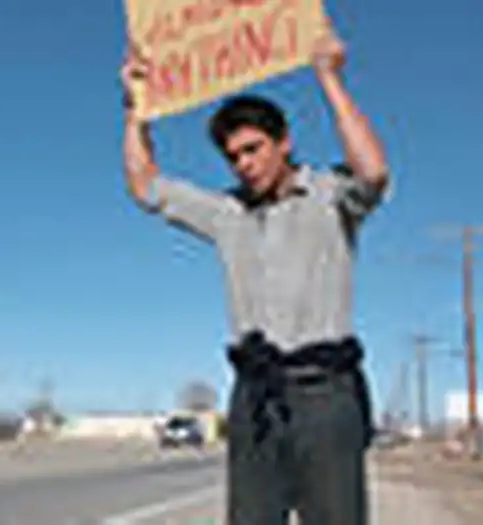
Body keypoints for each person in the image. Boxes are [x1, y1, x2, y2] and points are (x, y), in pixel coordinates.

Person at [119, 27, 392, 525]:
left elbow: (373, 172)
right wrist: (135, 105)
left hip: (326, 395)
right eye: (233, 157)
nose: (243, 164)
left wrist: (329, 78)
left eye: (253, 149)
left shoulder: (330, 195)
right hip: (255, 397)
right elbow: (145, 186)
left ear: (284, 142)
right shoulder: (226, 214)